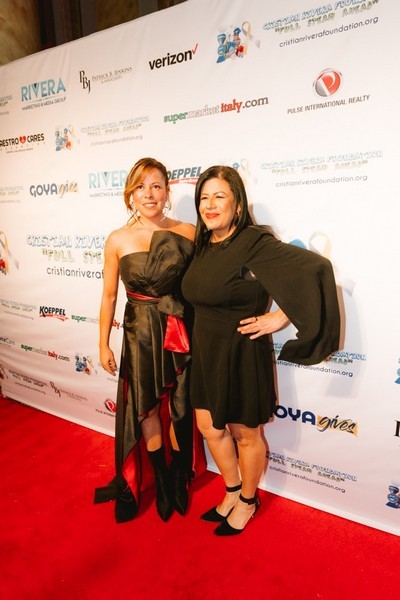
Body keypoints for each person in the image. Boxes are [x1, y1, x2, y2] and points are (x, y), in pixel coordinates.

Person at [181, 165, 340, 536]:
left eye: (219, 196)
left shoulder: (253, 241)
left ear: (238, 203)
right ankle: (231, 490)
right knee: (208, 427)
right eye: (204, 198)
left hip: (240, 351)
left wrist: (281, 316)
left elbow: (314, 268)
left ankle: (248, 501)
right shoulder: (202, 244)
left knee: (244, 434)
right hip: (206, 351)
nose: (209, 205)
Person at [94, 157, 205, 523]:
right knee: (147, 409)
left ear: (167, 192)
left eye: (156, 186)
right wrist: (102, 344)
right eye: (140, 187)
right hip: (140, 333)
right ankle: (160, 476)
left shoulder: (188, 232)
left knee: (180, 407)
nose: (149, 194)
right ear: (130, 195)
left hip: (179, 331)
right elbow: (109, 296)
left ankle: (178, 474)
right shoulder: (117, 239)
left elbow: (204, 285)